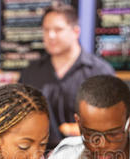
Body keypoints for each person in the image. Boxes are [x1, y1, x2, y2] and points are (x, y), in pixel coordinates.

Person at [18, 2, 114, 149]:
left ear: (76, 31)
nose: (50, 35)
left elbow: (113, 123)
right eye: (46, 30)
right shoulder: (30, 73)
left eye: (58, 29)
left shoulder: (100, 72)